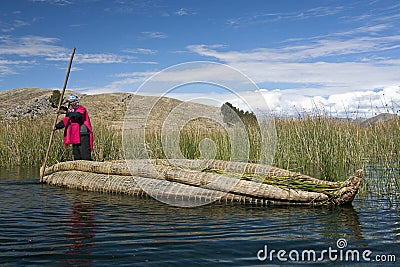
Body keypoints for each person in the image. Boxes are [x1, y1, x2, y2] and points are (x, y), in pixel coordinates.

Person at [55, 94, 93, 160]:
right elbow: (65, 121)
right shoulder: (70, 111)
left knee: (85, 154)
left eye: (73, 101)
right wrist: (56, 127)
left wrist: (65, 112)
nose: (72, 103)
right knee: (76, 155)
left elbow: (77, 115)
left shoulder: (81, 108)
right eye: (71, 102)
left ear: (76, 101)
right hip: (75, 135)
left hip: (83, 134)